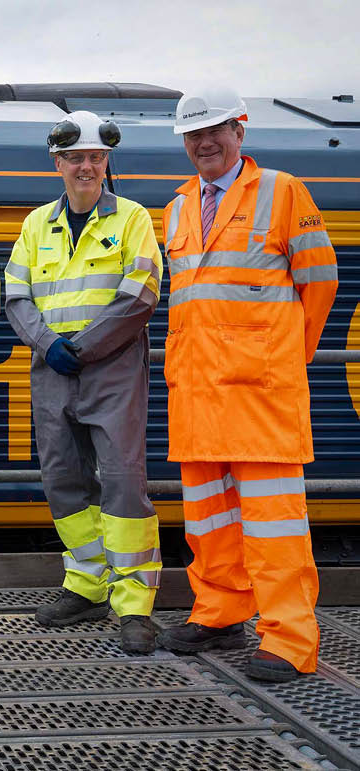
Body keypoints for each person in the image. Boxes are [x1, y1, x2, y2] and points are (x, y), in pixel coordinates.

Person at [156, 86, 338, 682]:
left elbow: (320, 282)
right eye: (193, 134)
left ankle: (288, 639)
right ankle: (219, 611)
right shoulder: (178, 206)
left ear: (241, 131)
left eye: (216, 130)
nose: (204, 142)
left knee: (274, 523)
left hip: (259, 391)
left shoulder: (283, 191)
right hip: (196, 390)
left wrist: (283, 358)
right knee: (208, 519)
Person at [4, 111, 163, 654]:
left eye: (95, 157)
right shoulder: (35, 224)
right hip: (52, 368)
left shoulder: (132, 218)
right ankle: (87, 584)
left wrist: (85, 348)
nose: (86, 167)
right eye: (75, 158)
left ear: (106, 162)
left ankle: (135, 604)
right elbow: (15, 295)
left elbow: (141, 292)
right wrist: (49, 345)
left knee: (121, 480)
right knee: (65, 479)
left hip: (111, 368)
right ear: (58, 164)